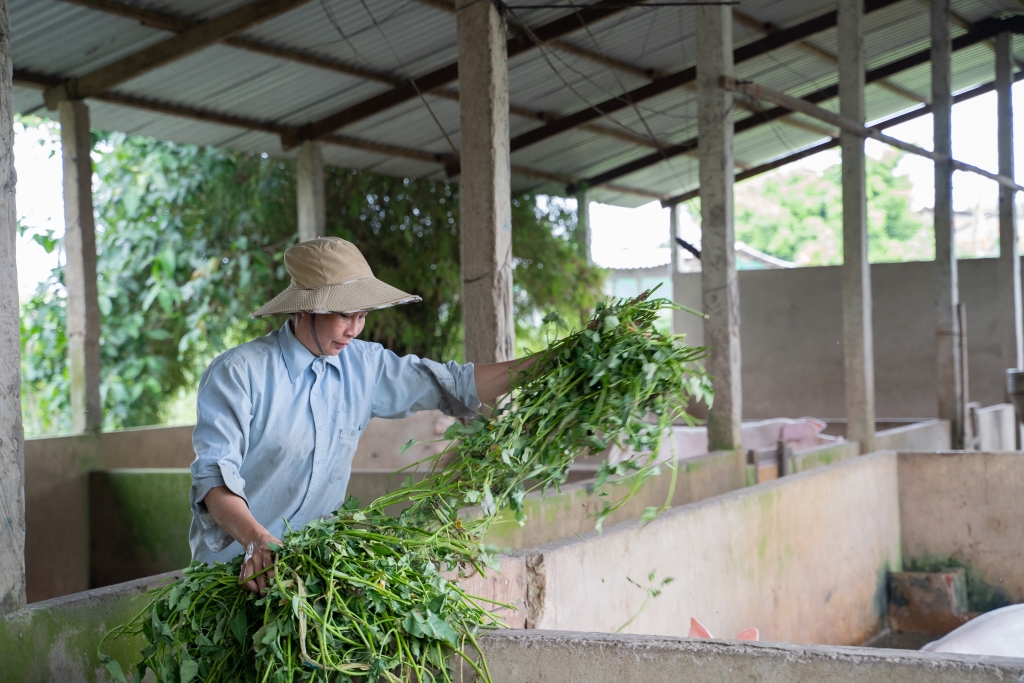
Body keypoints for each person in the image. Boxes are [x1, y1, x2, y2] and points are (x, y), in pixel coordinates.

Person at [188, 237, 525, 593]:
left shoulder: (365, 366)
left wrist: (548, 363)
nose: (355, 330)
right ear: (306, 309)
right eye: (346, 315)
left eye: (363, 316)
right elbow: (213, 477)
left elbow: (455, 384)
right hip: (231, 581)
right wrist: (255, 539)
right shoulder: (238, 373)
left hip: (311, 583)